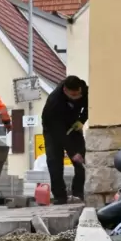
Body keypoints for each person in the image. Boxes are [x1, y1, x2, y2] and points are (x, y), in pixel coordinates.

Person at [41, 75, 88, 204]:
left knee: (81, 160)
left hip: (73, 124)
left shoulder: (85, 90)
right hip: (53, 129)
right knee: (54, 161)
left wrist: (81, 120)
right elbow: (59, 133)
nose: (76, 98)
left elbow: (91, 105)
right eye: (73, 96)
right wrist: (72, 153)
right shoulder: (54, 101)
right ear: (65, 91)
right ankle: (60, 196)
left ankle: (78, 193)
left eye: (78, 95)